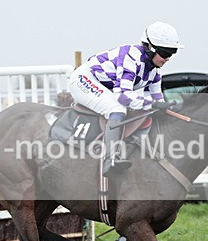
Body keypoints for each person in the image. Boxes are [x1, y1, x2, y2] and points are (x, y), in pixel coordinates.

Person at [69, 21, 182, 177]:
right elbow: (123, 96)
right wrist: (152, 104)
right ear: (150, 48)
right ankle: (110, 160)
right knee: (117, 108)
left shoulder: (154, 72)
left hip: (104, 85)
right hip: (83, 79)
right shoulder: (131, 57)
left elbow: (158, 100)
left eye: (172, 53)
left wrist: (167, 108)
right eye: (165, 53)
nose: (168, 58)